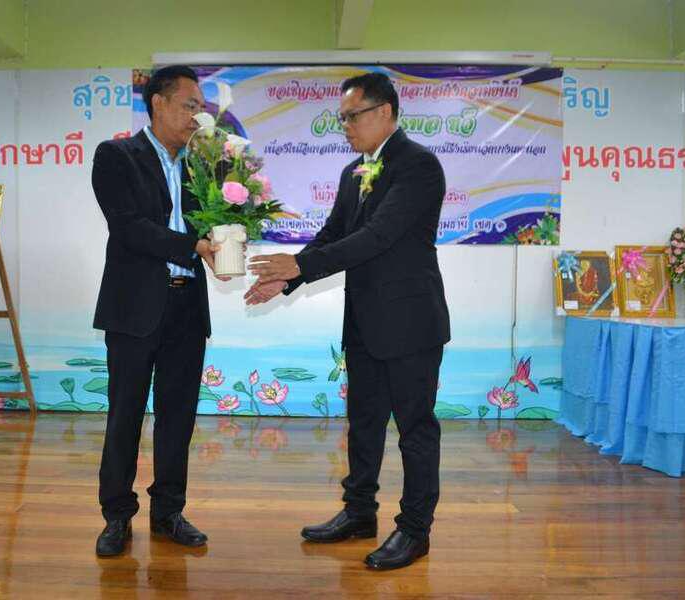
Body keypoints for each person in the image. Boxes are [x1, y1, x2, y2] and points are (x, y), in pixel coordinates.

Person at [246, 72, 450, 571]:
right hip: (363, 322)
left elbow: (378, 237)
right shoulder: (352, 172)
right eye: (342, 119)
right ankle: (359, 512)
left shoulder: (418, 166)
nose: (345, 127)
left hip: (410, 323)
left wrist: (299, 265)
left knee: (415, 430)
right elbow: (334, 235)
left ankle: (415, 530)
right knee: (363, 424)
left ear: (385, 112)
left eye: (352, 116)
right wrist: (286, 280)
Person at [90, 65, 223, 557]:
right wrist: (195, 247)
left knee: (177, 417)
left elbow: (215, 222)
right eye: (190, 106)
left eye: (201, 108)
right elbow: (129, 227)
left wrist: (227, 239)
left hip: (187, 307)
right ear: (159, 104)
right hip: (134, 307)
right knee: (125, 414)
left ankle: (168, 512)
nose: (196, 117)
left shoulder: (199, 167)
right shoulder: (116, 156)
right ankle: (116, 515)